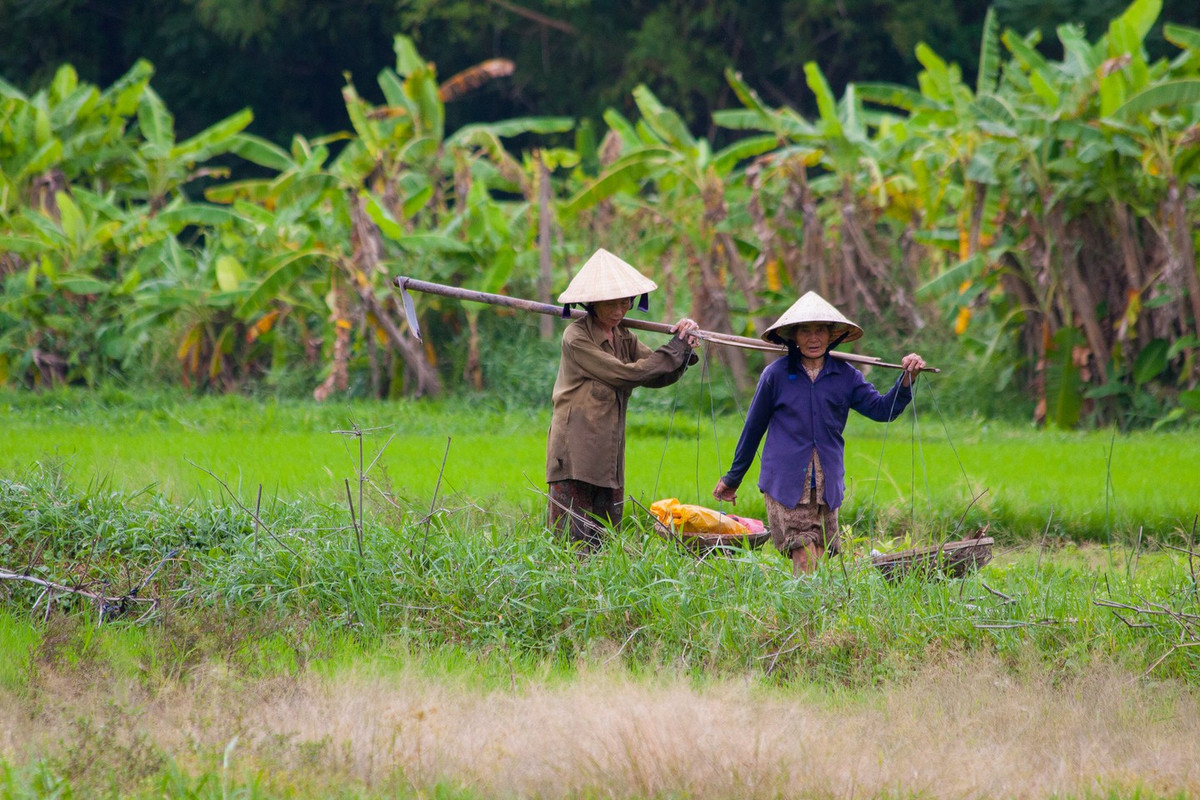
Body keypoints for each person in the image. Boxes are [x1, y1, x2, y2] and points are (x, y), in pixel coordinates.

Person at [712, 291, 926, 576]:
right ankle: (803, 605)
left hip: (826, 486)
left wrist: (908, 378)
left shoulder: (846, 376)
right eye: (805, 331)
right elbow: (753, 430)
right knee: (804, 556)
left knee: (818, 563)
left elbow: (882, 410)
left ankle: (808, 604)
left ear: (831, 335)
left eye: (820, 331)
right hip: (787, 484)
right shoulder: (775, 376)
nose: (813, 339)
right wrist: (732, 478)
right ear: (793, 337)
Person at [547, 248, 700, 551]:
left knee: (605, 541)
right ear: (593, 303)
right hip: (575, 452)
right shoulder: (576, 337)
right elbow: (627, 375)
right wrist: (674, 348)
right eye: (611, 303)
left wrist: (683, 348)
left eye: (625, 302)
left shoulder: (623, 336)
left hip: (609, 454)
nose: (620, 310)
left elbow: (655, 375)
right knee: (572, 544)